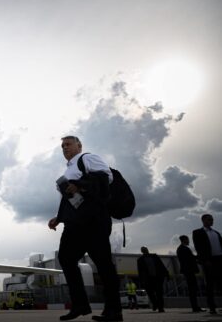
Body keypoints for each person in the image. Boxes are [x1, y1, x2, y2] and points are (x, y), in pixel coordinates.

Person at [48, 136, 122, 322]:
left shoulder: (87, 158)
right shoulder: (69, 169)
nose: (65, 148)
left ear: (79, 146)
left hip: (94, 220)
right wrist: (59, 217)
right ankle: (80, 305)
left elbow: (106, 177)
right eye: (62, 146)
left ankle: (114, 310)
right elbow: (71, 198)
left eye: (68, 144)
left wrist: (80, 185)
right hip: (74, 223)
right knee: (65, 258)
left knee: (103, 263)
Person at [192, 214, 222, 315]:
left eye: (212, 219)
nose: (212, 221)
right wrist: (205, 260)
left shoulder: (216, 233)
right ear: (203, 220)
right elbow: (198, 247)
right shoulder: (198, 232)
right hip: (209, 261)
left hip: (219, 260)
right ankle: (212, 307)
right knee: (210, 285)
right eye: (209, 219)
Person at [176, 235, 204, 312]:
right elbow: (190, 259)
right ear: (184, 240)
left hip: (188, 271)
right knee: (192, 289)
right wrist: (198, 258)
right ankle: (195, 307)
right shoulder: (183, 249)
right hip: (189, 271)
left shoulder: (181, 249)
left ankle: (195, 306)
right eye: (187, 240)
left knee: (193, 289)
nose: (188, 241)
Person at [137, 246, 168, 313]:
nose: (145, 250)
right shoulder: (140, 260)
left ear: (147, 249)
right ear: (142, 251)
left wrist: (166, 274)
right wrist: (142, 281)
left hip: (157, 278)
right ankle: (155, 303)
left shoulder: (155, 256)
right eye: (143, 250)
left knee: (159, 293)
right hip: (148, 279)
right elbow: (140, 271)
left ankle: (160, 308)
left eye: (145, 249)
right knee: (151, 293)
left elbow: (161, 265)